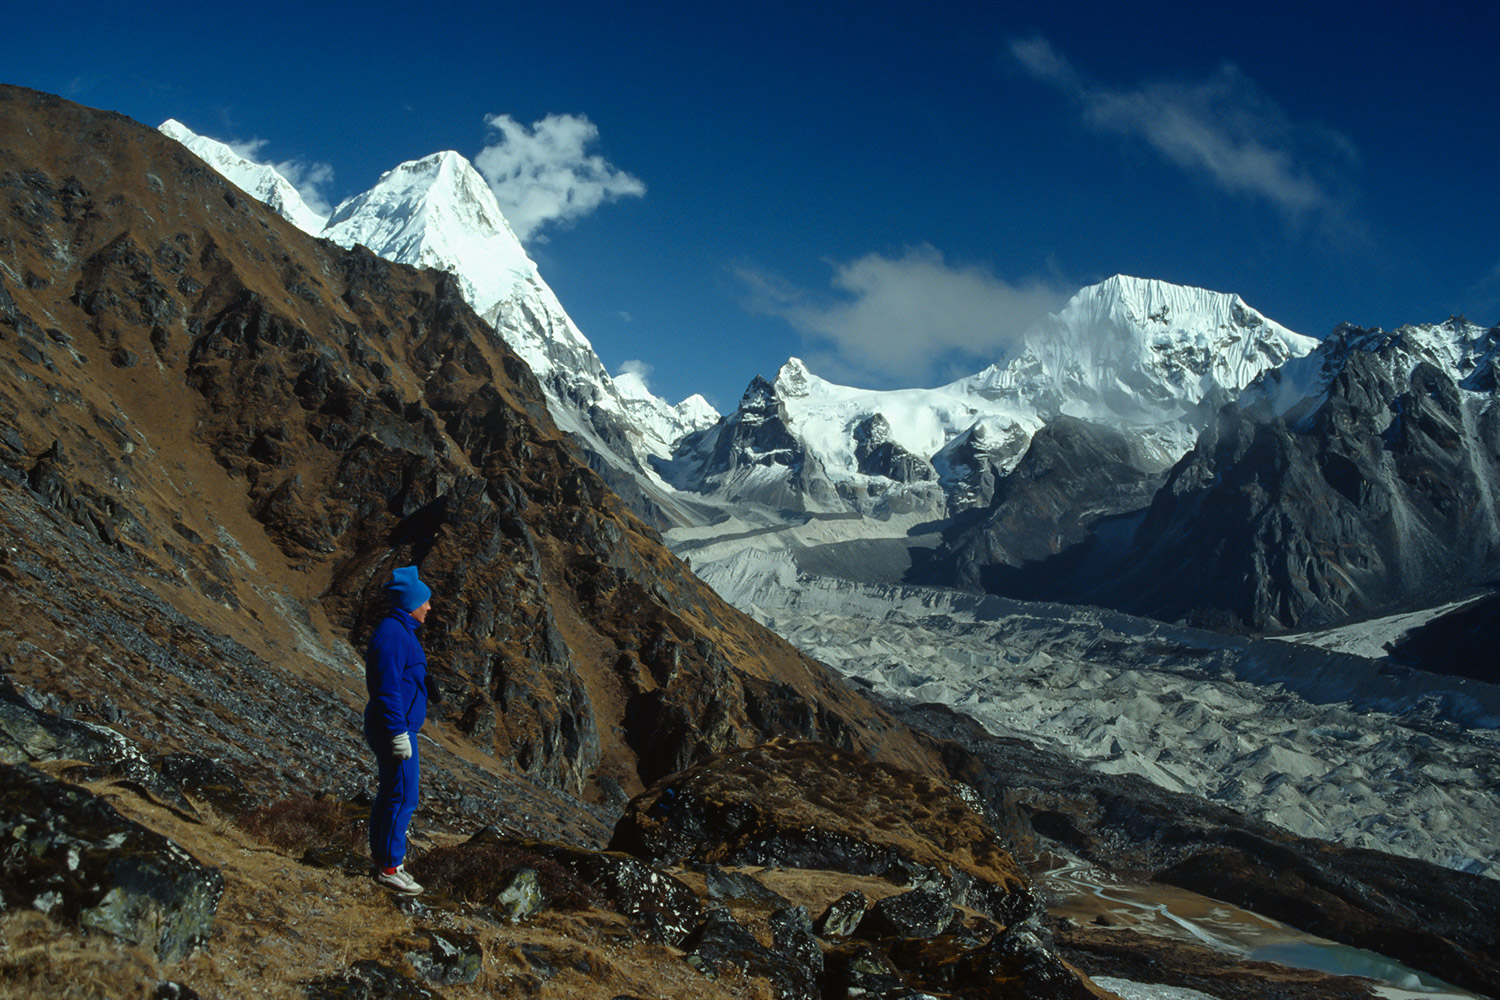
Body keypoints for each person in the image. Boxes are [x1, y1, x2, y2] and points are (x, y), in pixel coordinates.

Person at [364, 565, 432, 895]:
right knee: (404, 796)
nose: (429, 607)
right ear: (411, 603)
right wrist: (397, 732)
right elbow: (387, 689)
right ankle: (391, 867)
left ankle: (383, 861)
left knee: (392, 793)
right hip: (396, 728)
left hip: (397, 726)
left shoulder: (399, 632)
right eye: (425, 601)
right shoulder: (392, 635)